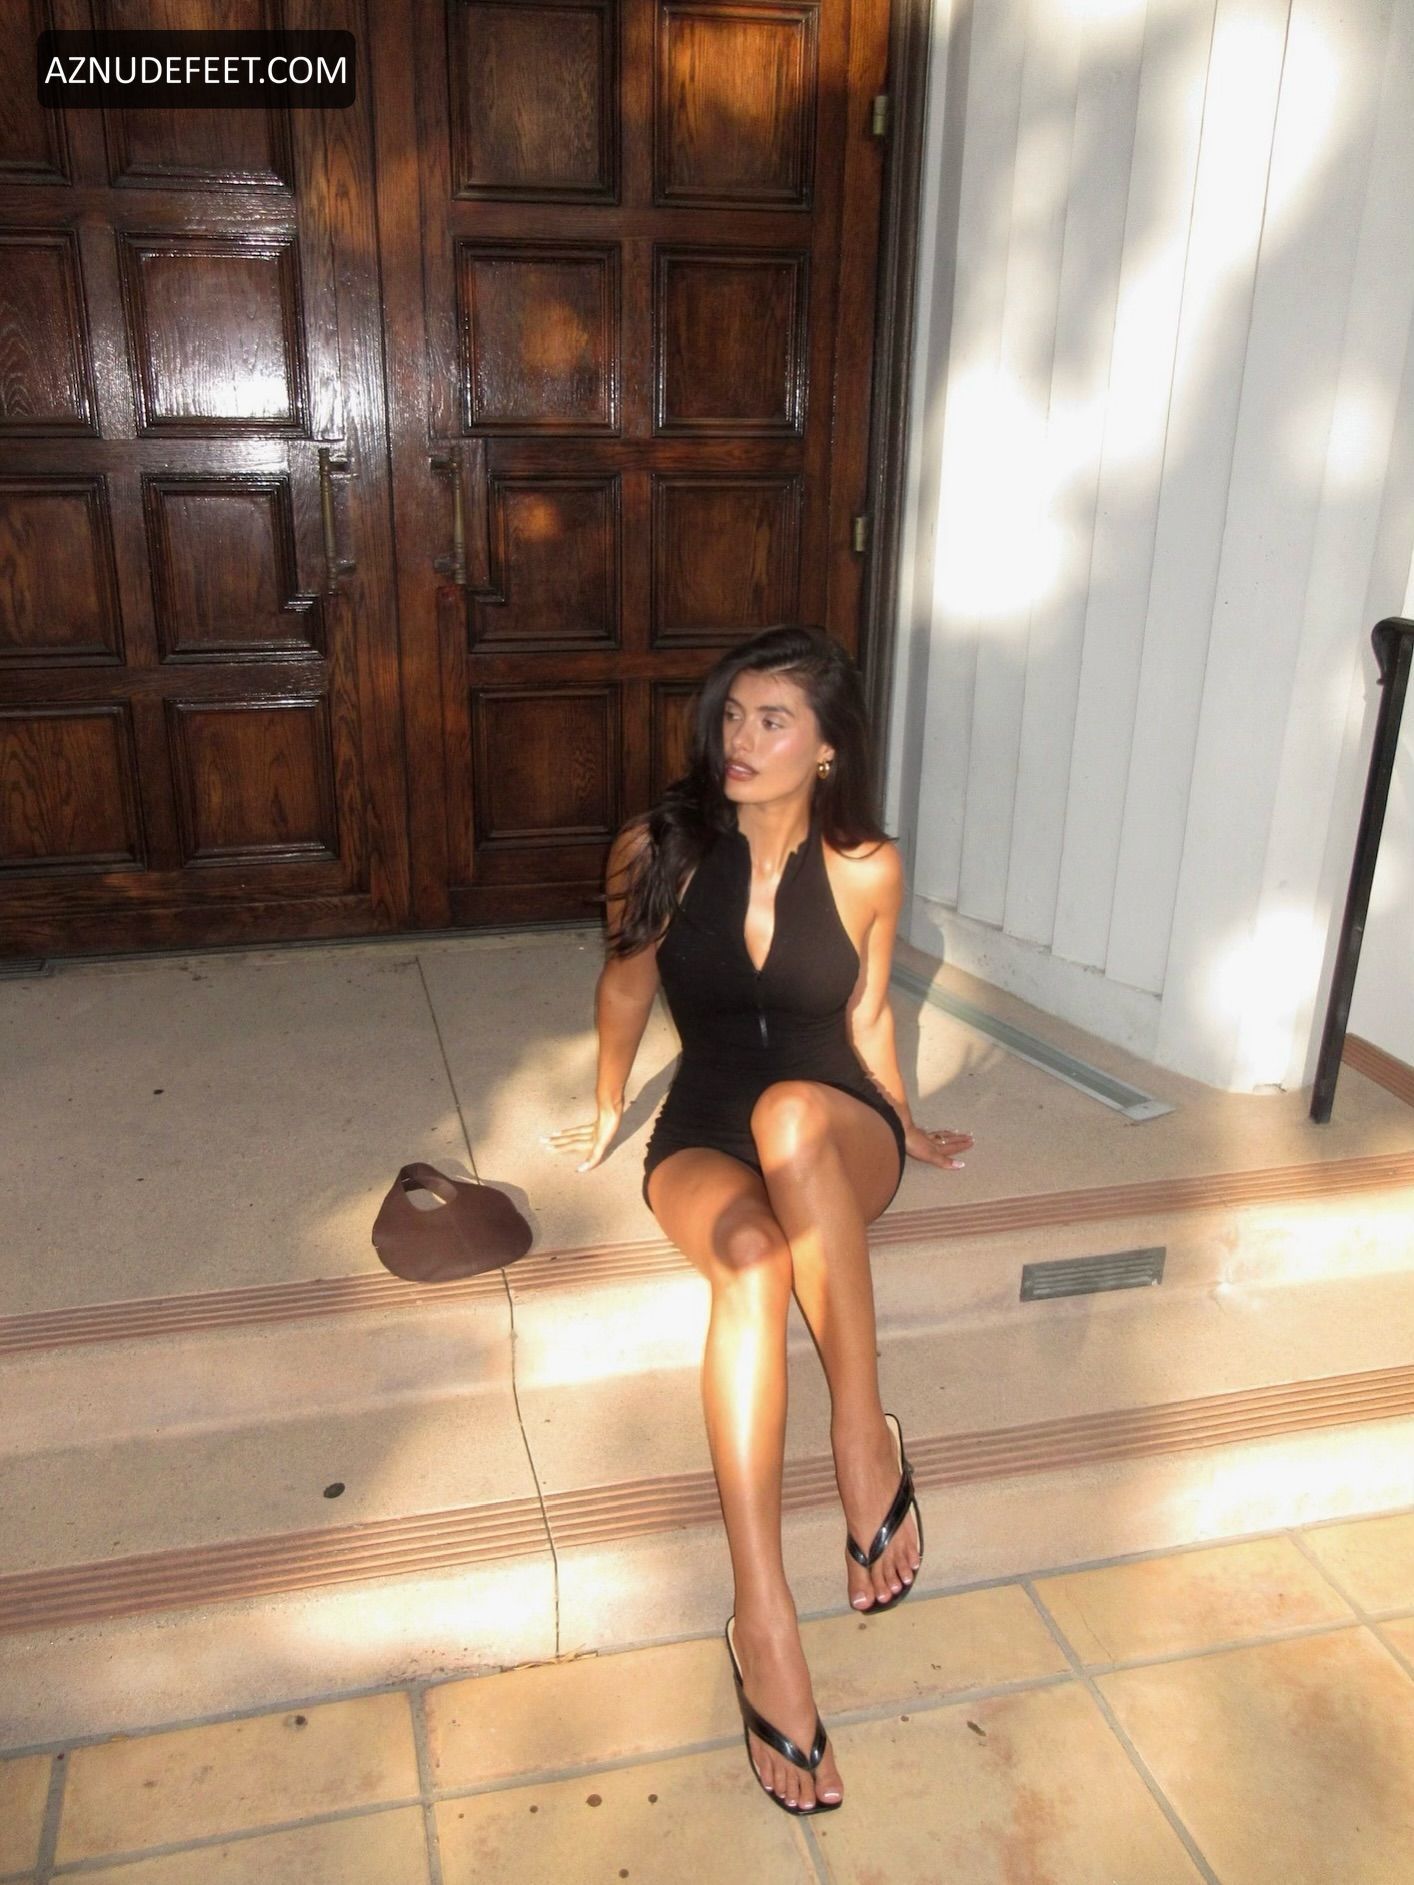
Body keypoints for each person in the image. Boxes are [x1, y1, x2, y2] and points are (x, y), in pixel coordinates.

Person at [547, 626, 973, 1813]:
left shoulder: (867, 864)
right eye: (732, 715)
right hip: (704, 1127)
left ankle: (858, 1438)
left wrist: (904, 1117)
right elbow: (624, 986)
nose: (739, 739)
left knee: (790, 1111)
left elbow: (869, 1013)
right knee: (747, 1259)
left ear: (826, 747)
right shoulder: (659, 848)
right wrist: (604, 1107)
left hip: (833, 1127)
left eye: (772, 720)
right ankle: (762, 1614)